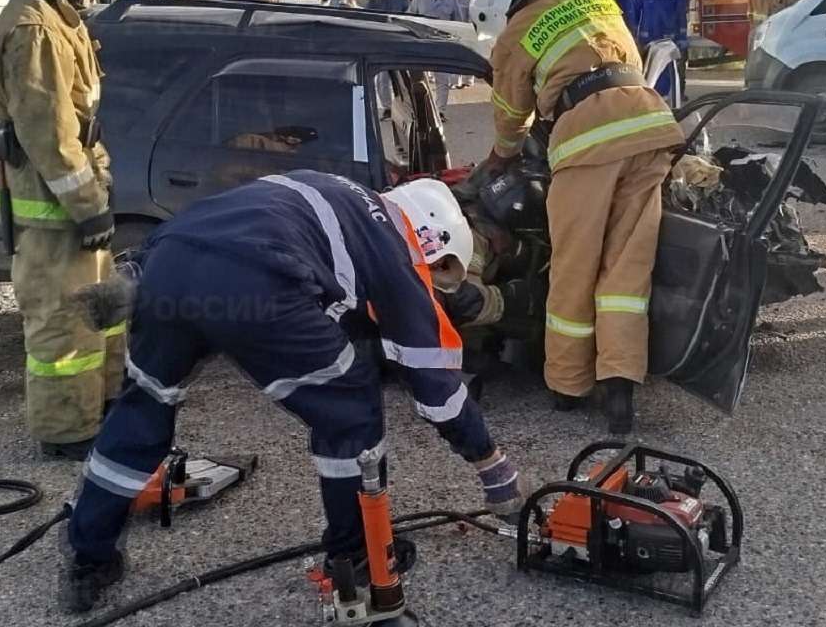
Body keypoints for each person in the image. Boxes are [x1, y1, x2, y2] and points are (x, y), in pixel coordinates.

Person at [62, 172, 526, 611]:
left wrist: (142, 271)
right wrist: (491, 464)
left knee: (142, 407)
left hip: (167, 260)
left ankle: (89, 556)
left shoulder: (330, 193)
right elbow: (434, 382)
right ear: (431, 238)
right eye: (440, 269)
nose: (435, 280)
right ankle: (355, 554)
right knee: (350, 408)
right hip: (257, 282)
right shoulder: (393, 247)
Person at [468, 0, 684, 434]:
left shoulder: (516, 31)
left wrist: (497, 161)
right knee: (628, 269)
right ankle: (620, 386)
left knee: (574, 266)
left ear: (501, 12)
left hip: (588, 137)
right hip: (648, 122)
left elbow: (511, 115)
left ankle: (568, 385)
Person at [0, 0, 134, 459]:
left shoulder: (56, 13)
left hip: (74, 193)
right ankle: (67, 431)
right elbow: (48, 130)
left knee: (100, 307)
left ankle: (104, 404)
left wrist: (97, 188)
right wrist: (87, 203)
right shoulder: (35, 27)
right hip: (50, 204)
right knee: (61, 319)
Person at [407, 0, 467, 120]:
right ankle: (420, 111)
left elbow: (458, 22)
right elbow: (409, 17)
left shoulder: (452, 1)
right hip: (422, 45)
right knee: (418, 80)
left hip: (441, 45)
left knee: (443, 80)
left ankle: (440, 111)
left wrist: (456, 42)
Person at [633, 0, 689, 100]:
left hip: (668, 37)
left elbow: (681, 15)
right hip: (647, 37)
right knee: (647, 66)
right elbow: (635, 12)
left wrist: (682, 37)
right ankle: (649, 94)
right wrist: (633, 33)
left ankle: (662, 96)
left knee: (665, 68)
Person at [366, 0, 410, 119]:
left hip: (399, 43)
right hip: (381, 44)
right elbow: (367, 20)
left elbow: (410, 19)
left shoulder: (402, 0)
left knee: (402, 77)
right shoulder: (374, 2)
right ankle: (387, 107)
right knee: (382, 79)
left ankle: (406, 106)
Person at [450, 0, 474, 88]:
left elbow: (472, 15)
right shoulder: (448, 0)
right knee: (454, 57)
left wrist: (469, 29)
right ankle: (455, 82)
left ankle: (468, 80)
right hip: (452, 32)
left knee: (467, 56)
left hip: (466, 31)